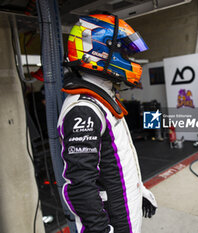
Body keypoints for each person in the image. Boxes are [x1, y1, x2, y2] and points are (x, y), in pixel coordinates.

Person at [57, 14, 157, 233]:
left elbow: (117, 160)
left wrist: (139, 190)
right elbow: (81, 185)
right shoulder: (84, 108)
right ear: (100, 51)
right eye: (125, 53)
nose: (131, 60)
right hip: (115, 220)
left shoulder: (102, 96)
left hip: (125, 210)